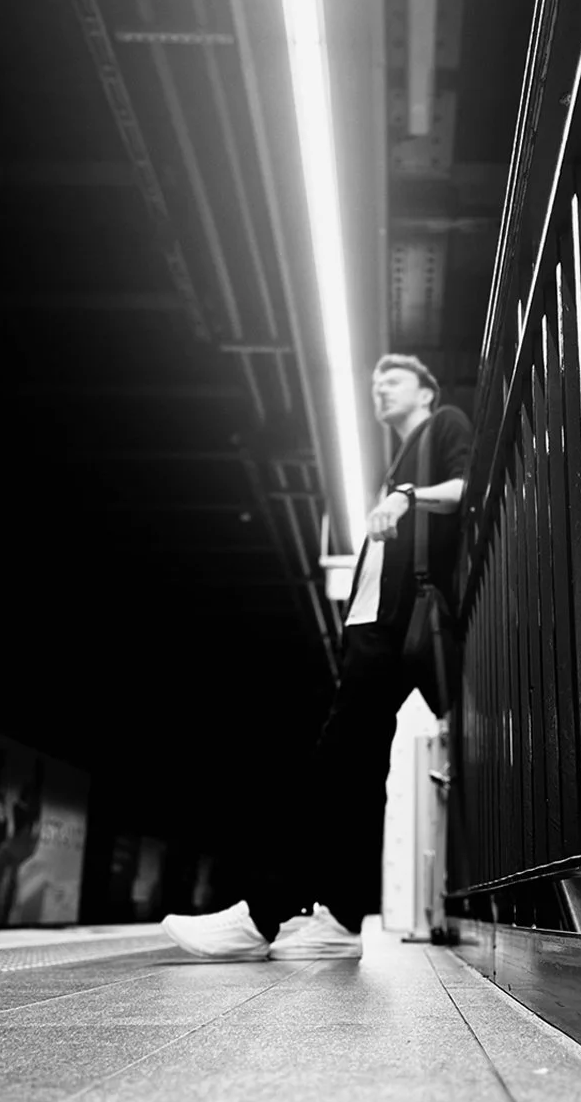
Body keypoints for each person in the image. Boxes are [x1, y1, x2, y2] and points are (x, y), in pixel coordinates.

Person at [162, 353, 471, 962]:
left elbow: (467, 488)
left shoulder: (444, 426)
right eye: (375, 381)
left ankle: (262, 915)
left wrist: (406, 497)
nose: (379, 388)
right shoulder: (400, 461)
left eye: (393, 379)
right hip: (373, 628)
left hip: (394, 626)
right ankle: (343, 916)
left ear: (426, 390)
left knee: (334, 765)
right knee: (359, 775)